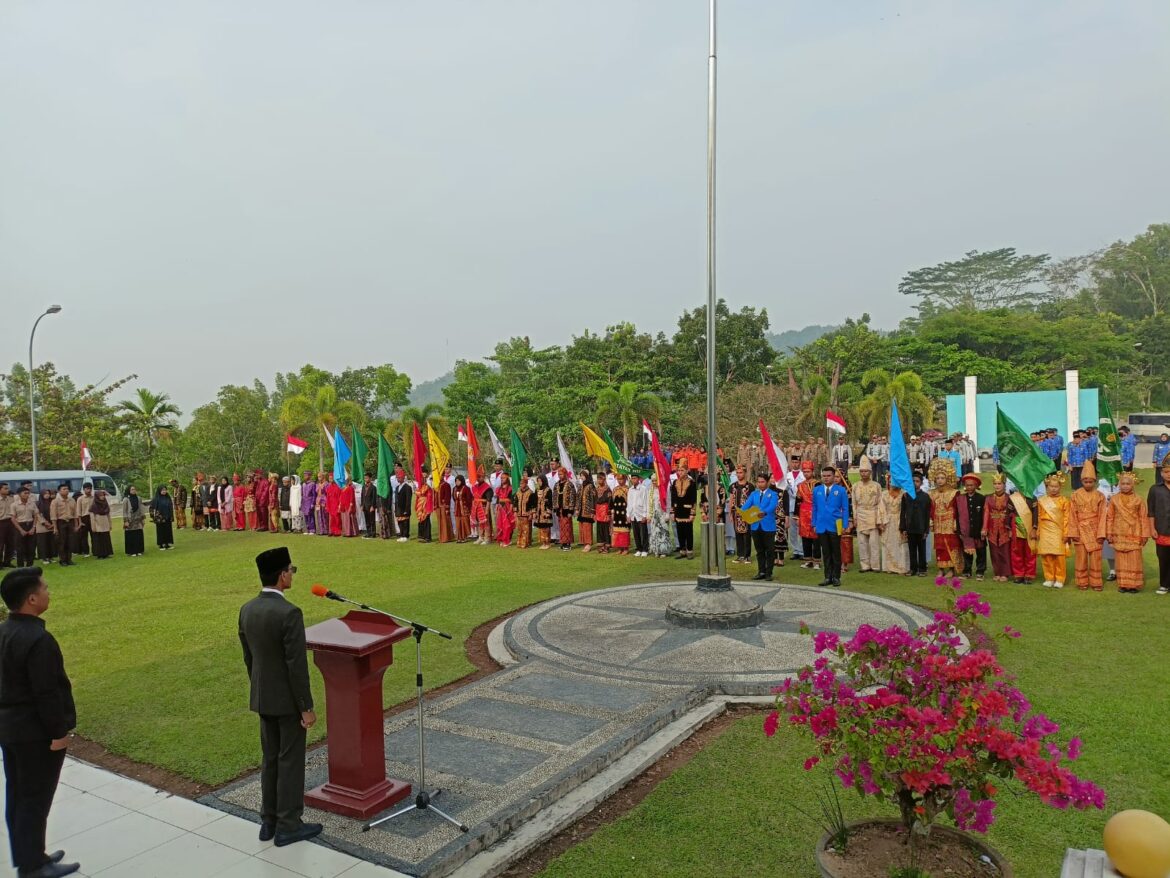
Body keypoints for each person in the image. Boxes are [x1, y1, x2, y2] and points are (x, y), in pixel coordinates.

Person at [0, 567, 80, 878]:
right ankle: (32, 866)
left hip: (11, 729)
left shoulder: (5, 632)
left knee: (18, 795)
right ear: (31, 599)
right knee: (35, 797)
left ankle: (31, 854)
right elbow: (46, 692)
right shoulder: (37, 639)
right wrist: (58, 733)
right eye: (44, 589)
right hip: (35, 733)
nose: (49, 592)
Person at [238, 548, 321, 847]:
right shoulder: (289, 613)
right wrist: (306, 707)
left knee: (270, 758)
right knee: (289, 761)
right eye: (291, 570)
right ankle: (288, 824)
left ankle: (268, 820)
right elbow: (296, 667)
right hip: (287, 701)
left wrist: (260, 690)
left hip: (262, 697)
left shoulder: (247, 609)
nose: (292, 574)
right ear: (282, 575)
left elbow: (250, 659)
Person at [1105, 472, 1149, 593]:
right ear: (1119, 484)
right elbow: (1109, 517)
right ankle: (1123, 584)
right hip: (1118, 533)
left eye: (1128, 483)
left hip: (1135, 533)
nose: (1125, 486)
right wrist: (1108, 533)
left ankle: (1134, 585)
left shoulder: (1138, 499)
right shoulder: (1114, 499)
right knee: (1121, 559)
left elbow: (1143, 518)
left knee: (1134, 559)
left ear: (1133, 484)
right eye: (1123, 483)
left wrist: (1145, 534)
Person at [1067, 459, 1106, 591]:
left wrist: (1101, 533)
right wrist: (1073, 533)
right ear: (1081, 481)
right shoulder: (1075, 495)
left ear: (1095, 481)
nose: (1088, 484)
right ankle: (1082, 581)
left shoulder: (1100, 496)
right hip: (1080, 530)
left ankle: (1096, 582)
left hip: (1095, 530)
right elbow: (1071, 515)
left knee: (1096, 557)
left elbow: (1103, 516)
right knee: (1081, 558)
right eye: (1085, 481)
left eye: (1091, 481)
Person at [812, 465, 849, 587]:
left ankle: (836, 577)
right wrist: (814, 524)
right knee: (826, 552)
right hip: (821, 525)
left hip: (835, 524)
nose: (826, 478)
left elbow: (845, 508)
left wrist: (844, 524)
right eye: (824, 476)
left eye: (829, 476)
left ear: (834, 477)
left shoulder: (841, 490)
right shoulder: (817, 490)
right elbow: (815, 508)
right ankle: (827, 577)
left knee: (836, 552)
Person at [1034, 472, 1071, 588]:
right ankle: (1049, 577)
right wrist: (1038, 531)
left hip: (1058, 530)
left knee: (1059, 556)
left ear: (1060, 487)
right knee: (1046, 555)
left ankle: (1060, 579)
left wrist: (1066, 533)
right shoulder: (1041, 500)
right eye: (1051, 486)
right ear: (1047, 487)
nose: (1053, 489)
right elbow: (1039, 516)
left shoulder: (1064, 501)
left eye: (1056, 487)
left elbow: (1067, 518)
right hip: (1045, 529)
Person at [740, 474, 778, 581]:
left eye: (762, 482)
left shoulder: (773, 494)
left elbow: (772, 506)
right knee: (759, 550)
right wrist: (741, 511)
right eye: (758, 482)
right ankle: (761, 571)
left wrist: (764, 512)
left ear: (767, 482)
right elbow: (747, 505)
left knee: (769, 550)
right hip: (755, 526)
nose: (760, 484)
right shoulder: (754, 494)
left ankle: (769, 573)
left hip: (768, 526)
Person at [927, 459, 961, 576]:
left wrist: (956, 522)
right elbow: (931, 509)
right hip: (937, 522)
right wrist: (931, 521)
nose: (940, 480)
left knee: (951, 545)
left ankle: (951, 569)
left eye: (942, 478)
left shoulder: (954, 493)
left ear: (948, 479)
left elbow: (957, 509)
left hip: (950, 522)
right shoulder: (931, 493)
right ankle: (941, 569)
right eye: (938, 478)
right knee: (939, 546)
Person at [981, 474, 1014, 582]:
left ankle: (1005, 573)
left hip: (1005, 527)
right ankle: (997, 572)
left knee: (1005, 550)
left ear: (1004, 485)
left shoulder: (1010, 498)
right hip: (992, 527)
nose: (997, 486)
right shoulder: (989, 498)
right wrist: (984, 528)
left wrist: (1010, 529)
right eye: (995, 484)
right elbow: (986, 513)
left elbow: (1012, 514)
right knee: (994, 551)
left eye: (999, 484)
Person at [851, 457, 882, 573]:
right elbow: (854, 503)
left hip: (873, 514)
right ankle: (865, 565)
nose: (864, 474)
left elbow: (880, 503)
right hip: (860, 514)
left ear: (870, 472)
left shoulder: (876, 485)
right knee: (862, 542)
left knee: (873, 543)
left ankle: (875, 565)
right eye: (862, 471)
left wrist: (879, 519)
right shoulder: (855, 486)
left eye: (866, 471)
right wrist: (854, 517)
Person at [900, 472, 932, 576]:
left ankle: (922, 569)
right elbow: (903, 513)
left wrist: (926, 529)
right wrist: (903, 528)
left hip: (921, 527)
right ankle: (913, 568)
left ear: (921, 483)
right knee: (912, 549)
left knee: (922, 549)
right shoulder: (906, 496)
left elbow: (927, 514)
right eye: (913, 481)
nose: (915, 483)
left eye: (917, 481)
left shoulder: (926, 497)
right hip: (910, 527)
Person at [879, 474, 909, 576]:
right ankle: (888, 567)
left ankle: (901, 567)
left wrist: (905, 523)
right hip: (888, 521)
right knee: (888, 542)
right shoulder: (884, 494)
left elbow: (906, 510)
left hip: (900, 520)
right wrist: (881, 522)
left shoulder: (904, 494)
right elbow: (881, 509)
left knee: (900, 543)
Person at [958, 473, 986, 580]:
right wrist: (959, 530)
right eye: (967, 485)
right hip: (966, 530)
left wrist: (984, 529)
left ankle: (980, 571)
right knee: (967, 552)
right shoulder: (960, 499)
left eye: (971, 485)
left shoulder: (981, 498)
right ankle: (967, 571)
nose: (969, 487)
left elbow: (984, 515)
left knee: (981, 552)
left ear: (976, 486)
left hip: (978, 530)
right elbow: (958, 516)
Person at [1149, 454, 1170, 595]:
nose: (1169, 474)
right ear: (1162, 473)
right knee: (1163, 558)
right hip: (1162, 529)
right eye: (1167, 472)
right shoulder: (1155, 489)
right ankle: (1164, 584)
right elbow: (1151, 511)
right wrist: (1152, 528)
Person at [795, 461, 820, 570]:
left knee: (816, 537)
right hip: (804, 512)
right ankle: (807, 560)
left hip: (815, 511)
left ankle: (817, 561)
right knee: (805, 537)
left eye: (808, 471)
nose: (806, 474)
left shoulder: (818, 484)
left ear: (812, 472)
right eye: (804, 472)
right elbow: (798, 501)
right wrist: (797, 516)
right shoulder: (800, 485)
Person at [670, 460, 697, 560]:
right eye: (679, 470)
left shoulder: (691, 482)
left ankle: (689, 550)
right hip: (678, 510)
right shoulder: (675, 482)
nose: (680, 472)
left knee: (688, 532)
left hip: (687, 510)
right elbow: (673, 498)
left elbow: (693, 499)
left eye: (682, 470)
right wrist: (672, 511)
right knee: (679, 531)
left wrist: (692, 513)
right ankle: (682, 550)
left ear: (687, 471)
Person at [729, 465, 752, 565]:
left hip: (746, 513)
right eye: (737, 473)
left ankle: (747, 556)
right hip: (736, 513)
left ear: (745, 473)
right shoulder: (733, 486)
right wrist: (730, 513)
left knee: (747, 534)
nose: (739, 475)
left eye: (741, 473)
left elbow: (752, 501)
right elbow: (731, 500)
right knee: (738, 534)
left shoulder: (750, 486)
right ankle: (740, 555)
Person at [648, 474, 675, 557]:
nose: (654, 482)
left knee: (663, 532)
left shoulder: (664, 490)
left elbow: (669, 502)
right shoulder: (651, 490)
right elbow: (649, 503)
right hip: (654, 514)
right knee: (655, 532)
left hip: (662, 514)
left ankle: (664, 551)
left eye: (655, 480)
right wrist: (649, 514)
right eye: (652, 481)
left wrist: (667, 514)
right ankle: (657, 550)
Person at [49, 484, 76, 568]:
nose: (66, 490)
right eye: (64, 489)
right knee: (62, 542)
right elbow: (53, 515)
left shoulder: (72, 500)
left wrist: (75, 525)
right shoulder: (55, 501)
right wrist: (55, 528)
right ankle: (63, 560)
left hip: (70, 522)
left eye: (67, 489)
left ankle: (69, 559)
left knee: (70, 541)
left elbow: (75, 513)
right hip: (60, 522)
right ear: (59, 491)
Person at [12, 486, 38, 568]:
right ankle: (20, 566)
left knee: (31, 547)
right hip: (20, 525)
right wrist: (21, 530)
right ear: (19, 494)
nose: (27, 495)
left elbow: (36, 516)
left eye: (28, 493)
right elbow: (13, 518)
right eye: (25, 493)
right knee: (20, 548)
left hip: (30, 524)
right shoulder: (14, 505)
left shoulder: (32, 503)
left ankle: (30, 565)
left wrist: (33, 527)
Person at [554, 468, 577, 551]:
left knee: (567, 526)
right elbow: (555, 496)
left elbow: (572, 497)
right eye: (559, 474)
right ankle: (563, 542)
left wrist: (571, 510)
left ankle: (568, 543)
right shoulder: (557, 485)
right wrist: (555, 508)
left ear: (565, 474)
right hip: (559, 509)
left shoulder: (570, 484)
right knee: (561, 526)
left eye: (561, 474)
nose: (560, 476)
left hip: (567, 509)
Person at [628, 473, 650, 557]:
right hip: (633, 514)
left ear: (639, 479)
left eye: (635, 478)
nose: (634, 480)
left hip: (641, 513)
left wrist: (645, 515)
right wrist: (628, 514)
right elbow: (629, 503)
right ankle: (639, 549)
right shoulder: (630, 490)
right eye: (632, 478)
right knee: (636, 533)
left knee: (643, 533)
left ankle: (645, 549)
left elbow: (646, 502)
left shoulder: (643, 489)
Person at [87, 490, 113, 560]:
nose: (102, 497)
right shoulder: (94, 506)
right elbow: (92, 518)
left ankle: (107, 553)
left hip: (105, 523)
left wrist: (110, 524)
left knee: (106, 538)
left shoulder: (105, 504)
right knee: (99, 540)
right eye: (100, 496)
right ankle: (100, 554)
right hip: (98, 524)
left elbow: (108, 515)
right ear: (97, 497)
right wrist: (93, 527)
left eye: (103, 495)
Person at [122, 486, 146, 556]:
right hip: (130, 520)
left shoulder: (138, 498)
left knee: (138, 535)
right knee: (131, 535)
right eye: (132, 489)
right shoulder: (126, 499)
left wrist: (143, 519)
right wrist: (126, 521)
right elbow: (124, 511)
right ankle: (132, 551)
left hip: (138, 519)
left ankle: (139, 550)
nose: (134, 490)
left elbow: (141, 508)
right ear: (128, 491)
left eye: (135, 489)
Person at [609, 474, 630, 555]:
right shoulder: (615, 489)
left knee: (625, 531)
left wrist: (628, 513)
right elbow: (612, 502)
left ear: (625, 479)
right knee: (617, 531)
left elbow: (630, 502)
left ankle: (625, 548)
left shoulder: (628, 489)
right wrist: (612, 511)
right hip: (617, 513)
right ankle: (619, 547)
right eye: (618, 479)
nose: (620, 481)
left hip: (624, 513)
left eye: (621, 479)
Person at [471, 473, 494, 545]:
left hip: (484, 507)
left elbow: (489, 500)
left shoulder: (487, 488)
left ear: (483, 477)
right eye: (477, 477)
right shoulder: (476, 486)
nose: (478, 478)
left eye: (480, 477)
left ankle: (487, 538)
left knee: (486, 523)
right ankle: (481, 537)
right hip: (477, 507)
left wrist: (487, 509)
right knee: (479, 523)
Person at [150, 485, 175, 550]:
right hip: (160, 518)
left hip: (167, 517)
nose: (164, 491)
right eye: (163, 490)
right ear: (159, 491)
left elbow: (171, 507)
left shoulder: (168, 497)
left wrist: (171, 516)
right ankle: (161, 545)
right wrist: (153, 516)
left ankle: (167, 544)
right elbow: (151, 508)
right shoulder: (156, 498)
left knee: (168, 531)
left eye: (165, 490)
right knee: (161, 531)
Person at [576, 469, 596, 552]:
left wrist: (592, 511)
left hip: (588, 511)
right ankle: (584, 542)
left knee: (587, 527)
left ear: (587, 476)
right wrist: (577, 509)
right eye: (581, 476)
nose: (582, 477)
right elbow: (577, 497)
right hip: (581, 510)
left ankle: (588, 544)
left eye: (583, 476)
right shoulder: (581, 486)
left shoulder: (591, 486)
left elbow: (593, 499)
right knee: (582, 527)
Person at [35, 490, 56, 564]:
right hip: (42, 526)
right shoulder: (38, 504)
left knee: (51, 542)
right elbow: (37, 515)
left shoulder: (52, 502)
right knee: (43, 543)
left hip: (52, 524)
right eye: (45, 494)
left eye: (48, 493)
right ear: (41, 495)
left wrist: (53, 524)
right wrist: (46, 523)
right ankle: (44, 558)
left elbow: (55, 512)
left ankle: (51, 557)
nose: (47, 495)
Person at [516, 472, 536, 549]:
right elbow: (515, 503)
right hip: (519, 514)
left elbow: (533, 504)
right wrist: (515, 512)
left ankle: (526, 542)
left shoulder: (530, 493)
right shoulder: (518, 492)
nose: (521, 485)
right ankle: (520, 542)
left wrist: (532, 513)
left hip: (527, 514)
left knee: (526, 529)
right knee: (520, 529)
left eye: (522, 483)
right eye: (520, 483)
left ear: (526, 483)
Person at [495, 473, 516, 546]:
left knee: (508, 524)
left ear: (507, 479)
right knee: (501, 524)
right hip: (501, 508)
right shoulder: (499, 489)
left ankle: (508, 540)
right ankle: (502, 539)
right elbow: (498, 499)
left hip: (507, 508)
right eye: (501, 478)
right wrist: (497, 506)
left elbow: (512, 500)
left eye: (503, 478)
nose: (502, 479)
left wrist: (511, 508)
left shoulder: (510, 488)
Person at [533, 474, 554, 549]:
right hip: (539, 512)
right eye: (538, 481)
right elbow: (535, 501)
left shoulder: (548, 490)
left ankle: (547, 543)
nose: (539, 482)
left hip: (545, 512)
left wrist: (548, 512)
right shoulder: (537, 490)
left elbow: (550, 502)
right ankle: (543, 542)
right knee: (541, 528)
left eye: (540, 481)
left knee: (546, 527)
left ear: (544, 480)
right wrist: (535, 512)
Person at [73, 483, 92, 558]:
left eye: (90, 488)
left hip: (93, 518)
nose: (89, 490)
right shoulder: (80, 499)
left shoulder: (93, 497)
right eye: (87, 489)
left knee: (94, 535)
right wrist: (80, 522)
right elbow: (78, 512)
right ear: (84, 490)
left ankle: (95, 551)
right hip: (84, 518)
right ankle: (86, 552)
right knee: (84, 536)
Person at [594, 473, 611, 553]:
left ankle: (607, 546)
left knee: (606, 529)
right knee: (599, 528)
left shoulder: (608, 490)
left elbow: (610, 502)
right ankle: (601, 545)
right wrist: (593, 512)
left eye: (601, 479)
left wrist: (609, 513)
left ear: (604, 480)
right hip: (598, 510)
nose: (599, 481)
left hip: (605, 510)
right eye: (598, 479)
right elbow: (594, 501)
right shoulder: (596, 489)